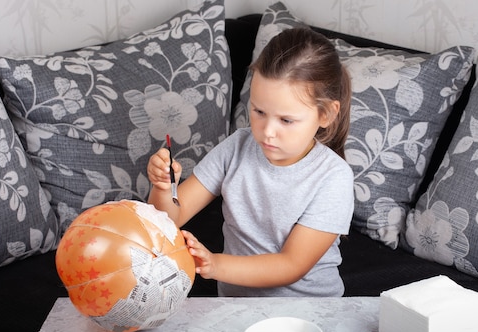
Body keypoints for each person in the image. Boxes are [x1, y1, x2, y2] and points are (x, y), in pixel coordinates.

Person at [147, 27, 354, 297]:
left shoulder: (333, 177)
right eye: (258, 111)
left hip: (307, 313)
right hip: (236, 308)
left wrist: (216, 264)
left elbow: (291, 265)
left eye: (286, 120)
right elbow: (168, 219)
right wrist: (163, 188)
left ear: (326, 115)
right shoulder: (237, 147)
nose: (267, 131)